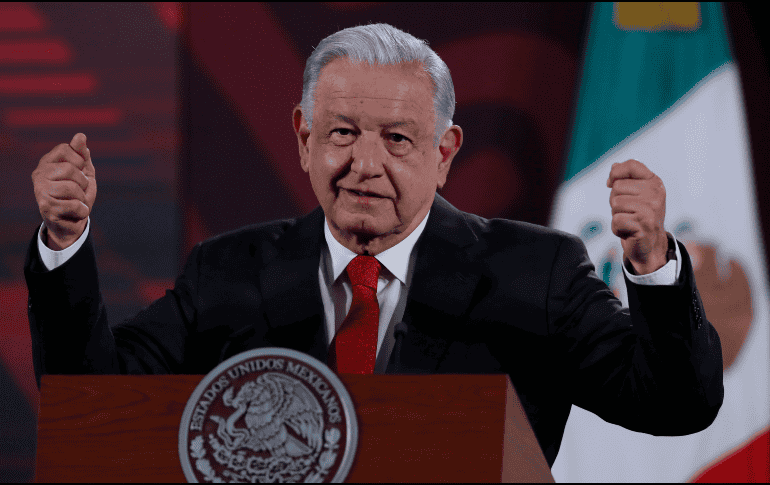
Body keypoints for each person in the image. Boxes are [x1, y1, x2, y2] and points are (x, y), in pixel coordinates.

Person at [25, 23, 723, 467]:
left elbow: (675, 403)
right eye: (341, 133)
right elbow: (93, 405)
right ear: (303, 137)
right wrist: (65, 243)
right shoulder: (228, 272)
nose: (365, 163)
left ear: (445, 151)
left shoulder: (534, 271)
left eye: (396, 139)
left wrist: (652, 265)